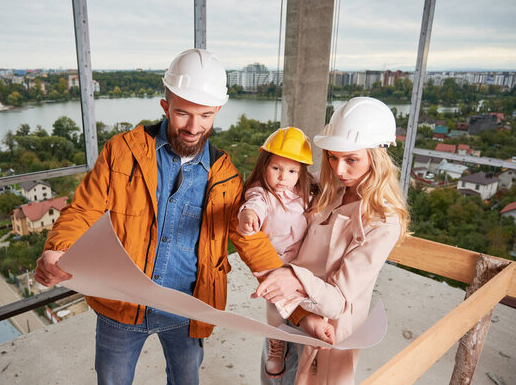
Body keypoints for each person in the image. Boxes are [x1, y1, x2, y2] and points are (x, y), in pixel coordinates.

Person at [34, 48, 286, 385]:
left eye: (206, 116)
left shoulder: (225, 174)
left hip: (187, 308)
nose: (194, 127)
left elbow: (246, 236)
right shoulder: (121, 152)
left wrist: (284, 284)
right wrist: (58, 248)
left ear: (218, 111)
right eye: (182, 113)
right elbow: (84, 209)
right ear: (166, 105)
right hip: (120, 306)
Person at [253, 97, 410, 384]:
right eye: (332, 157)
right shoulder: (327, 189)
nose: (339, 170)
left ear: (377, 156)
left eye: (351, 160)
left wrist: (292, 275)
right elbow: (271, 186)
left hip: (324, 331)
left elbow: (337, 302)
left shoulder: (382, 222)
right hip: (287, 310)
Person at [237, 126, 321, 377]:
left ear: (300, 172)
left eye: (292, 170)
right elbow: (253, 205)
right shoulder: (261, 193)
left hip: (301, 264)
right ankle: (276, 342)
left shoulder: (303, 192)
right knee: (276, 305)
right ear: (264, 165)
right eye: (276, 168)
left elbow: (324, 178)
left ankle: (308, 348)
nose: (283, 177)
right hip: (274, 264)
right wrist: (248, 216)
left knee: (307, 303)